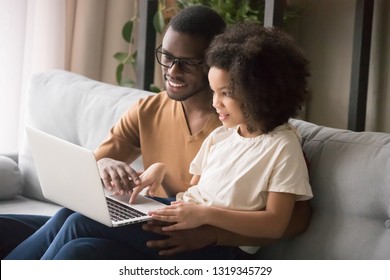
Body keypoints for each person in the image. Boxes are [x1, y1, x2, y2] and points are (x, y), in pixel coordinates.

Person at [3, 6, 311, 260]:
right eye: (167, 56)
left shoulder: (246, 130)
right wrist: (125, 167)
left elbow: (289, 220)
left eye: (187, 62)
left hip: (204, 239)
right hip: (173, 218)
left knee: (77, 225)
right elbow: (193, 187)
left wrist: (213, 233)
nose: (172, 71)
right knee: (75, 242)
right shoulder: (175, 118)